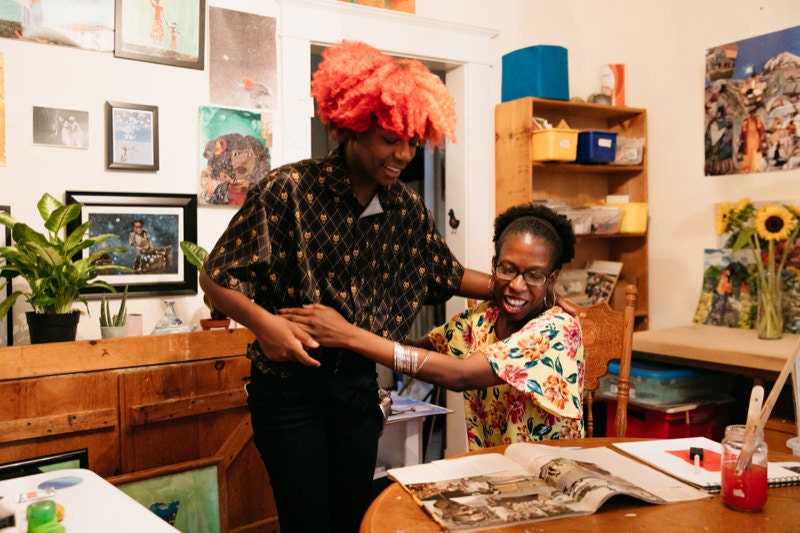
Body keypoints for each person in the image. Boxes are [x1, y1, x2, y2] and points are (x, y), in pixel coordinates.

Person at [199, 39, 491, 533]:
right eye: (388, 139)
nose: (403, 154)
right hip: (290, 396)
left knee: (353, 520)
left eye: (412, 141)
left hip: (357, 394)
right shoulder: (288, 190)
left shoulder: (406, 209)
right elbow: (215, 277)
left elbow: (447, 271)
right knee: (308, 523)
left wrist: (520, 286)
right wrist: (265, 325)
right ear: (352, 127)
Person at [282, 203, 584, 451]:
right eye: (507, 269)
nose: (517, 285)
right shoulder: (486, 317)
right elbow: (419, 349)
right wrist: (344, 329)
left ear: (553, 279)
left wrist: (350, 336)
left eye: (534, 275)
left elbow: (461, 375)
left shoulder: (557, 328)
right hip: (496, 473)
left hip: (548, 478)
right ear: (494, 265)